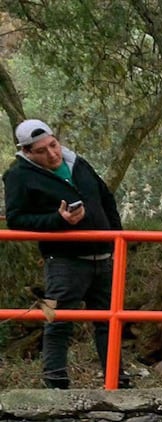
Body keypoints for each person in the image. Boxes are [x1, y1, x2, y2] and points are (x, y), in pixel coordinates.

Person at [4, 119, 129, 389]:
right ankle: (55, 383)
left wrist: (116, 240)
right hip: (61, 262)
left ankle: (116, 380)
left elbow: (106, 198)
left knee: (110, 322)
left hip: (104, 258)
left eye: (53, 145)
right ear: (27, 152)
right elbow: (16, 220)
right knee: (56, 320)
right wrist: (58, 220)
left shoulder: (78, 162)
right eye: (42, 151)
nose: (52, 154)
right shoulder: (18, 176)